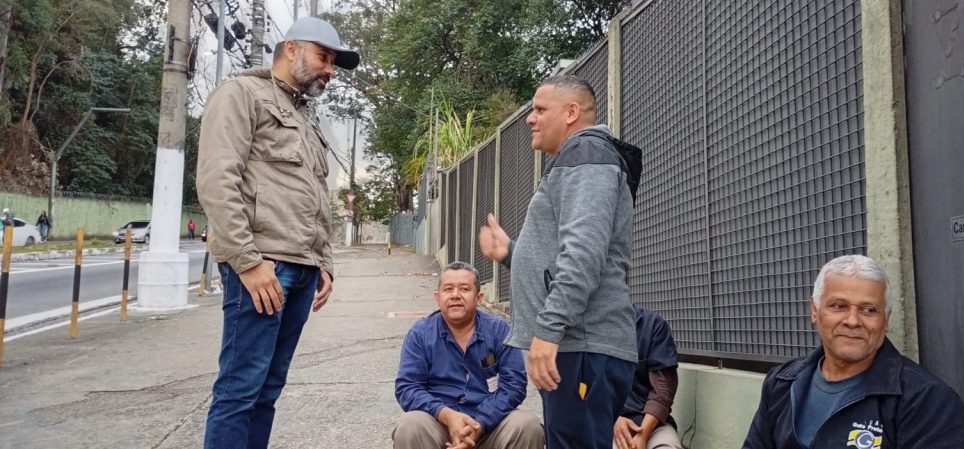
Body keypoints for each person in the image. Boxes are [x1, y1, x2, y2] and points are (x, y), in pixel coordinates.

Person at [196, 16, 359, 449]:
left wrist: (324, 262)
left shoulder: (304, 116)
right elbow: (217, 181)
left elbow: (314, 194)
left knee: (268, 389)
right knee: (240, 389)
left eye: (333, 63)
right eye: (324, 57)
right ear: (291, 49)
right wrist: (248, 262)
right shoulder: (240, 95)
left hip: (302, 268)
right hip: (263, 266)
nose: (330, 70)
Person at [478, 75, 637, 448]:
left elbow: (583, 254)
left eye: (539, 109)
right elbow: (564, 255)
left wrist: (548, 331)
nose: (529, 118)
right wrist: (511, 253)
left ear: (571, 112)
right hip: (578, 346)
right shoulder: (578, 158)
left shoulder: (587, 155)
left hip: (582, 344)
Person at [741, 255, 964, 449]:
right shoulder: (781, 383)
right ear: (814, 310)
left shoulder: (925, 400)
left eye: (869, 310)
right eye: (839, 306)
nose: (853, 321)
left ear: (886, 320)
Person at [393, 262, 543, 449]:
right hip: (438, 426)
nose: (455, 295)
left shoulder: (499, 330)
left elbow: (514, 385)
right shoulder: (420, 333)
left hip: (491, 427)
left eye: (464, 289)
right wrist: (446, 415)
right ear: (437, 297)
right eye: (448, 289)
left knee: (527, 425)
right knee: (411, 425)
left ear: (479, 297)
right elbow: (407, 387)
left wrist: (480, 423)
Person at [614, 305, 683, 449]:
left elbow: (663, 390)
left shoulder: (652, 324)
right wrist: (611, 419)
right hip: (605, 423)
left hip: (651, 425)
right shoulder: (585, 330)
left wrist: (642, 436)